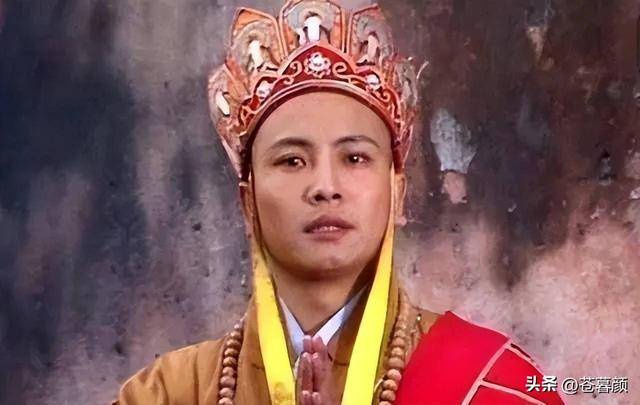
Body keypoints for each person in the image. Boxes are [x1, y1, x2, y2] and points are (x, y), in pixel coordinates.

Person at [114, 1, 565, 404]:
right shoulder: (168, 392)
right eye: (292, 161)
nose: (325, 187)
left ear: (397, 194)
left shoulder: (492, 383)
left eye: (354, 158)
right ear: (247, 204)